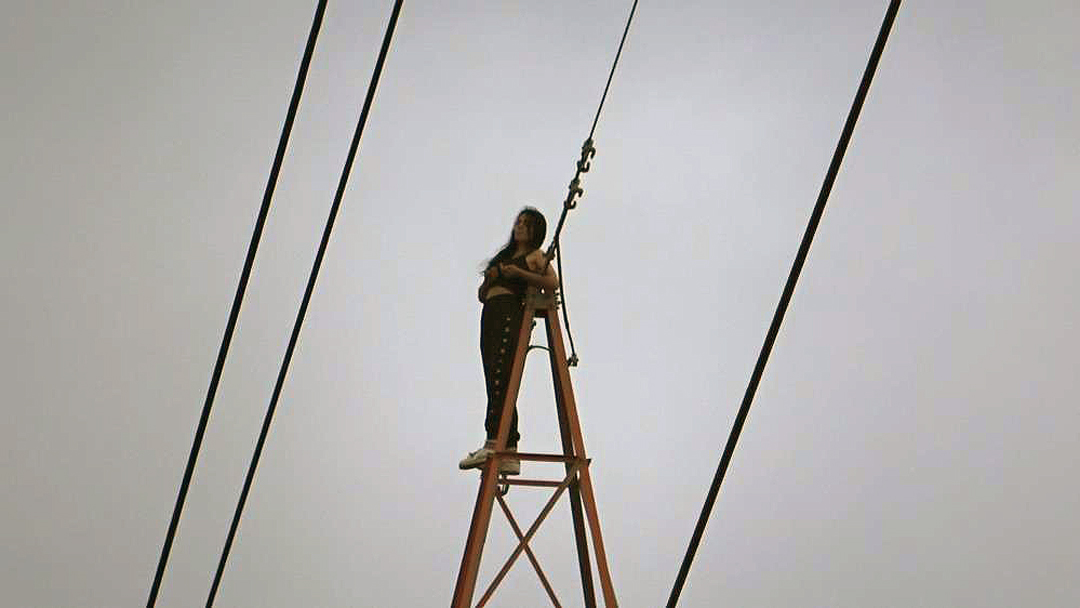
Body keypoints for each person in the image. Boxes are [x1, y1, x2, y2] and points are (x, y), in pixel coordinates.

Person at [459, 207, 558, 475]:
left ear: (535, 229)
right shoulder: (504, 256)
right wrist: (488, 281)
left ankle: (498, 441)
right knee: (492, 374)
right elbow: (482, 295)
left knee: (503, 372)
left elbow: (552, 282)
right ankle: (504, 445)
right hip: (490, 312)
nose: (520, 227)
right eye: (519, 222)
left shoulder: (535, 257)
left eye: (526, 223)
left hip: (509, 314)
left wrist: (520, 275)